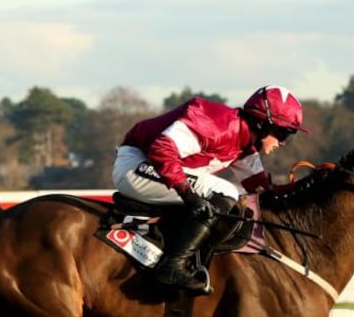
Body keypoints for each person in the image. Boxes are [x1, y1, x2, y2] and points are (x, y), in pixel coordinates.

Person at [112, 85, 309, 295]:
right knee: (225, 190)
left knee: (226, 194)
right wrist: (188, 196)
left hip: (155, 166)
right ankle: (173, 265)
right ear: (262, 123)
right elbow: (161, 150)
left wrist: (305, 189)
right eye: (283, 133)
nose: (283, 142)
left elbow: (261, 189)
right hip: (136, 164)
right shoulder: (216, 125)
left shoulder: (246, 146)